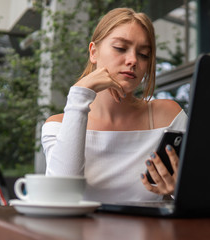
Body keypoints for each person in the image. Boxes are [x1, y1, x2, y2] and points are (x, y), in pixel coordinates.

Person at [41, 8, 188, 202]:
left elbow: (205, 192)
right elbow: (61, 195)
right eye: (120, 48)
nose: (133, 60)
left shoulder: (168, 116)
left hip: (152, 232)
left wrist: (179, 192)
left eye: (143, 54)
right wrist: (79, 94)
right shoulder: (58, 126)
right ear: (93, 52)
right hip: (81, 232)